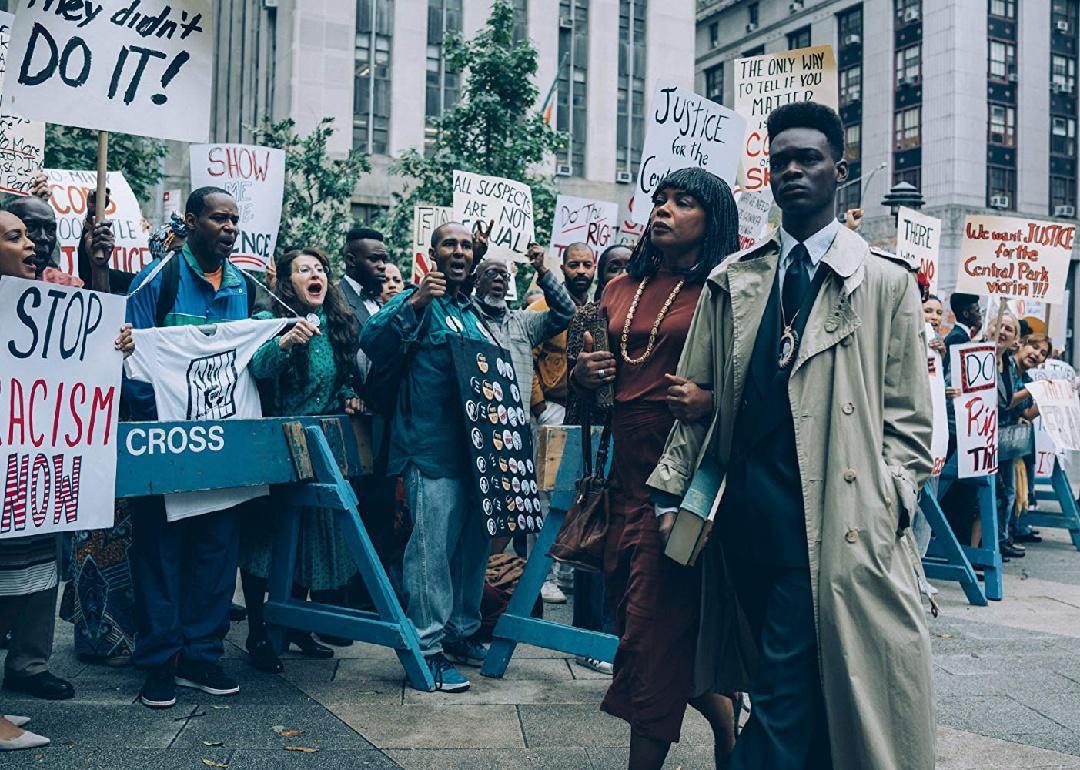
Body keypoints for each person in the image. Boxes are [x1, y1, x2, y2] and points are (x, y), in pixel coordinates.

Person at [645, 102, 936, 770]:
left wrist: (888, 501)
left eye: (808, 158)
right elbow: (694, 408)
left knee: (783, 690)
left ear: (840, 169)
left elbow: (910, 423)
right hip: (743, 521)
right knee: (787, 683)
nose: (793, 170)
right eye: (780, 160)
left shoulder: (887, 283)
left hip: (837, 523)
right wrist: (670, 502)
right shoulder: (733, 280)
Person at [571, 167, 743, 769]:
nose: (664, 209)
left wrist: (710, 401)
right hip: (622, 479)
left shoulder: (730, 288)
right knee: (647, 635)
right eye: (660, 199)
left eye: (683, 201)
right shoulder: (620, 286)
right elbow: (587, 387)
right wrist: (587, 378)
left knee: (647, 639)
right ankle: (728, 730)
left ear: (713, 217)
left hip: (681, 485)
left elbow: (760, 384)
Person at [0, 210, 132, 750]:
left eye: (30, 235)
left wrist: (109, 344)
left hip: (23, 483)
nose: (31, 243)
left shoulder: (48, 301)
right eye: (14, 236)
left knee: (14, 592)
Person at [124, 187, 253, 709]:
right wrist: (160, 411)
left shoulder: (244, 284)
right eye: (219, 218)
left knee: (217, 553)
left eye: (235, 220)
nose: (229, 228)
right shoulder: (159, 278)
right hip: (165, 444)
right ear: (191, 220)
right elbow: (126, 352)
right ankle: (160, 662)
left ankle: (202, 655)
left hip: (223, 446)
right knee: (160, 553)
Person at [360, 222, 491, 693]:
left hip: (474, 456)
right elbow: (371, 341)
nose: (458, 251)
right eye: (449, 244)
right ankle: (427, 648)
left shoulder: (471, 311)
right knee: (429, 555)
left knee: (471, 551)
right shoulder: (416, 300)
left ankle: (459, 634)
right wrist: (415, 303)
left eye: (465, 245)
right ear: (432, 253)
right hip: (427, 451)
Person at [240, 248, 362, 673]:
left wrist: (350, 397)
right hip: (274, 445)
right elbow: (255, 370)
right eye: (305, 269)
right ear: (286, 282)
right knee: (266, 543)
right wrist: (284, 343)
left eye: (321, 269)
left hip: (318, 446)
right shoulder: (268, 322)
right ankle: (258, 631)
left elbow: (344, 377)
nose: (317, 275)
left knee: (307, 538)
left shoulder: (338, 325)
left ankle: (293, 625)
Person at [473, 245, 575, 410]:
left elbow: (567, 313)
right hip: (479, 419)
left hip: (516, 423)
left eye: (505, 276)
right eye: (491, 273)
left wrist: (541, 270)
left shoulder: (524, 323)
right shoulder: (465, 317)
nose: (499, 278)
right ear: (476, 281)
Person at [339, 226, 387, 326]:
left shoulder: (382, 300)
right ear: (351, 260)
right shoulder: (334, 298)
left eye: (384, 260)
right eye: (374, 259)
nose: (382, 266)